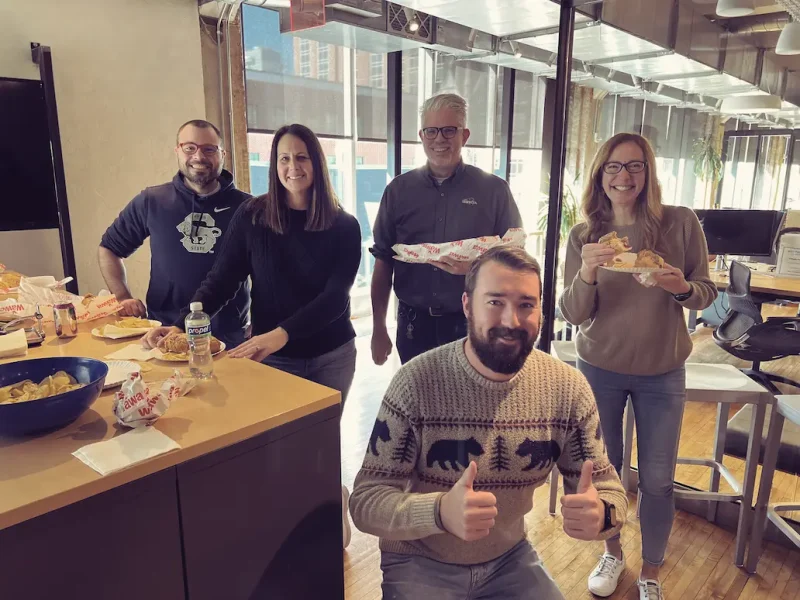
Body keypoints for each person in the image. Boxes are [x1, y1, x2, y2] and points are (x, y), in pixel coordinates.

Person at [350, 246, 627, 599]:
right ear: (467, 305)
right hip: (419, 560)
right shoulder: (416, 382)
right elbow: (364, 502)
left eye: (526, 304)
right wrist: (438, 512)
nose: (511, 321)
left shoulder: (567, 388)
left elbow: (610, 489)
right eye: (495, 302)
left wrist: (601, 514)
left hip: (508, 559)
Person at [144, 123, 362, 547]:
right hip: (274, 361)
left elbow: (335, 298)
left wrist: (280, 333)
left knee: (319, 446)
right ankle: (287, 530)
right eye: (283, 158)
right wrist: (191, 318)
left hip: (330, 353)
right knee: (278, 451)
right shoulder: (254, 217)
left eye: (301, 157)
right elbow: (223, 277)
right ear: (273, 165)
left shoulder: (344, 225)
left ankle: (329, 515)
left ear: (316, 163)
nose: (292, 167)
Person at [559, 133, 717, 600]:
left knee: (657, 478)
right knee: (604, 472)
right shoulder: (585, 235)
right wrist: (586, 272)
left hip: (662, 371)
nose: (623, 176)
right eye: (612, 167)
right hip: (599, 369)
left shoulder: (679, 224)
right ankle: (612, 552)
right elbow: (572, 313)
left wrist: (680, 287)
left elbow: (707, 292)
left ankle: (650, 572)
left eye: (634, 166)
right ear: (600, 176)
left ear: (648, 173)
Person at [370, 93, 523, 366]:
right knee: (418, 405)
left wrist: (475, 268)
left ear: (464, 135)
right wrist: (379, 329)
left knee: (471, 405)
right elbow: (383, 261)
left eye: (449, 130)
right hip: (412, 326)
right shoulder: (398, 191)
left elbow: (516, 261)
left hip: (473, 324)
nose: (439, 139)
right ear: (421, 135)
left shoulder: (494, 190)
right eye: (431, 131)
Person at [98, 119, 251, 349]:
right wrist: (122, 297)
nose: (198, 156)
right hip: (162, 335)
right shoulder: (152, 201)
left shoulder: (248, 207)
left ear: (223, 154)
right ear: (177, 151)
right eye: (190, 148)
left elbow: (267, 272)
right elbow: (109, 249)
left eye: (209, 149)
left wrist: (263, 321)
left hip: (229, 338)